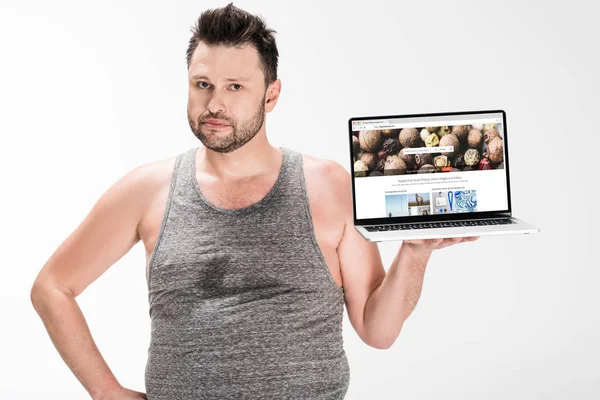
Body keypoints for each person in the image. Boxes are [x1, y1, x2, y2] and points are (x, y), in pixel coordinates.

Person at [30, 3, 478, 399]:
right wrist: (106, 392)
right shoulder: (147, 190)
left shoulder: (330, 186)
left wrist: (416, 252)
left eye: (235, 87)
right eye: (202, 83)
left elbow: (377, 330)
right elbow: (52, 287)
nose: (215, 103)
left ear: (272, 94)